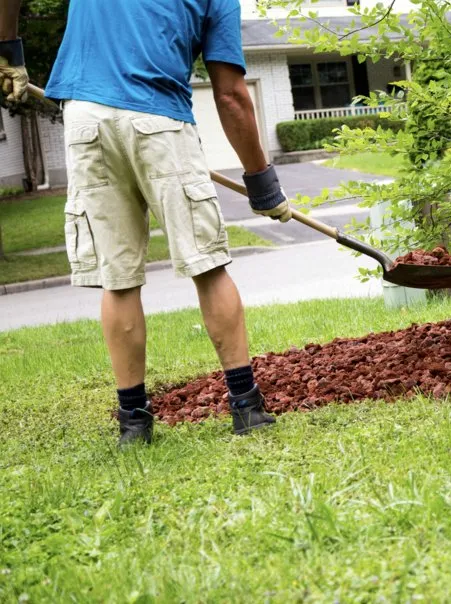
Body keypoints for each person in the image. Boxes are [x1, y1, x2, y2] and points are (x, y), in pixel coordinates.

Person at [0, 0, 292, 445]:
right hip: (160, 118)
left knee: (117, 278)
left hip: (86, 120)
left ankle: (134, 424)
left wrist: (9, 50)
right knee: (206, 265)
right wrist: (262, 182)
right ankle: (246, 409)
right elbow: (231, 95)